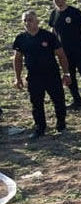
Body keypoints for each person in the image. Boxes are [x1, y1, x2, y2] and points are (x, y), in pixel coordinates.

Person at [12, 10, 71, 140]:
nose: (27, 23)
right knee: (36, 103)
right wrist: (17, 78)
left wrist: (66, 73)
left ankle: (61, 124)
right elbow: (17, 59)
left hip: (52, 75)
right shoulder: (21, 39)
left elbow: (61, 55)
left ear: (37, 21)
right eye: (25, 20)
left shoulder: (48, 36)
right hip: (33, 77)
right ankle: (40, 128)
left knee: (59, 101)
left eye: (30, 20)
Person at [48, 0, 81, 109]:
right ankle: (77, 101)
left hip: (80, 52)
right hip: (65, 54)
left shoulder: (75, 13)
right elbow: (53, 32)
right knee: (70, 78)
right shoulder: (54, 14)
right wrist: (52, 48)